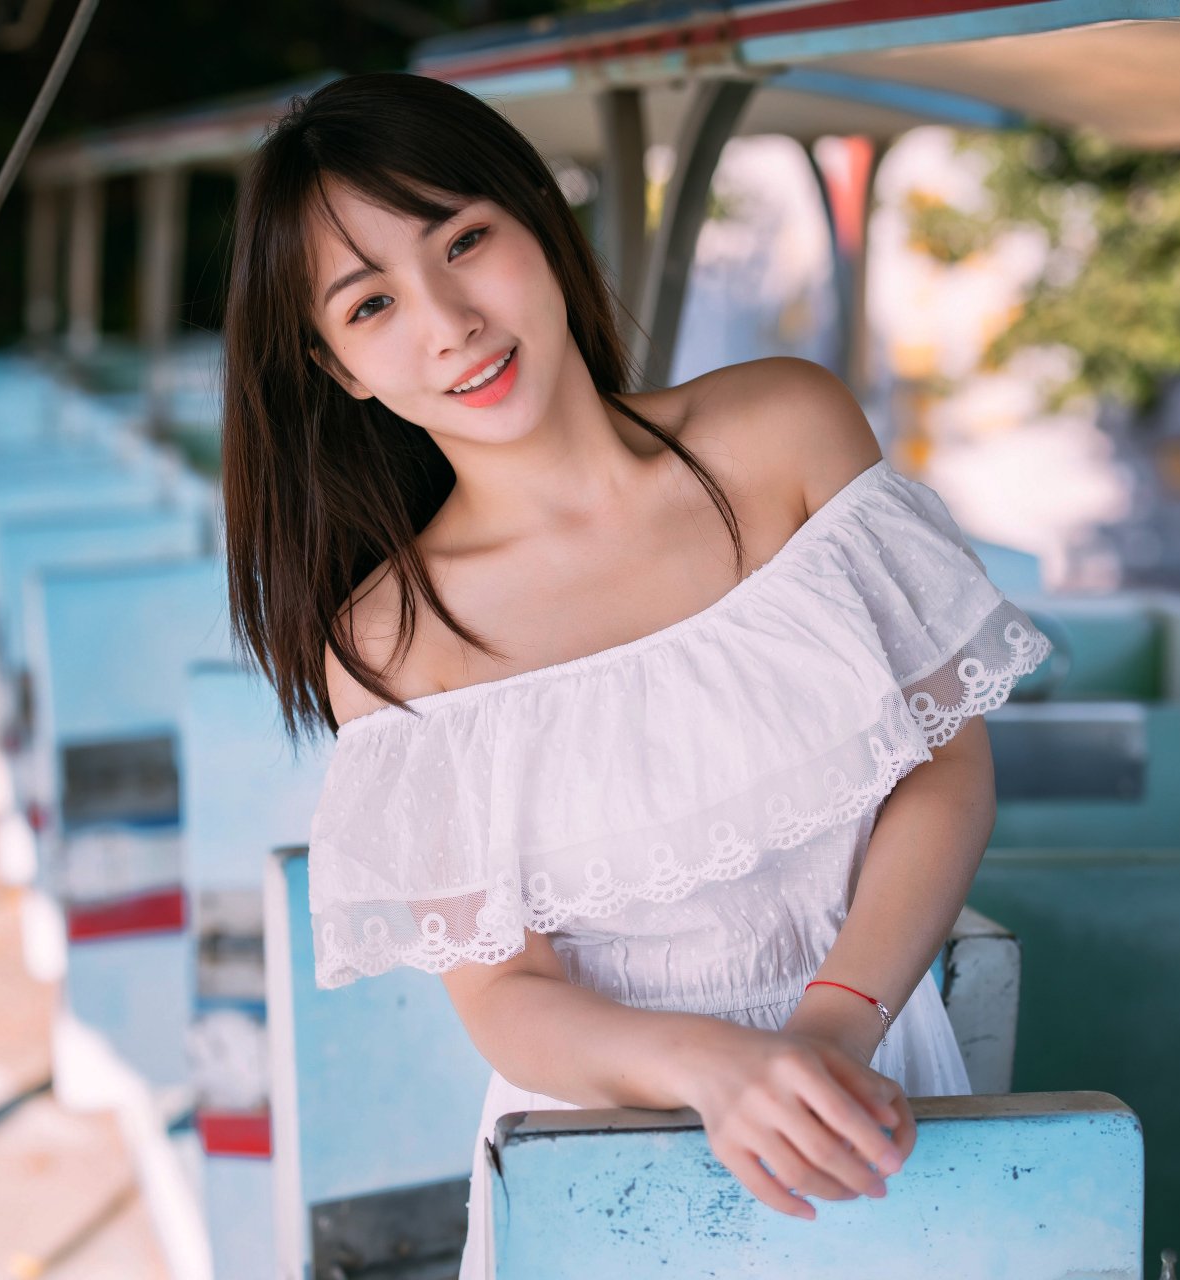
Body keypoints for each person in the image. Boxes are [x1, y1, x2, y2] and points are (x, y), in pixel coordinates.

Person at [220, 70, 1051, 1277]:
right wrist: (714, 1068)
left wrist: (830, 1028)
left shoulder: (786, 432)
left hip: (869, 1074)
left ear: (540, 228)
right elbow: (507, 992)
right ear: (338, 367)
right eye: (370, 304)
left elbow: (945, 767)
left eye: (464, 240)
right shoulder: (394, 639)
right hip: (598, 1145)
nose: (447, 319)